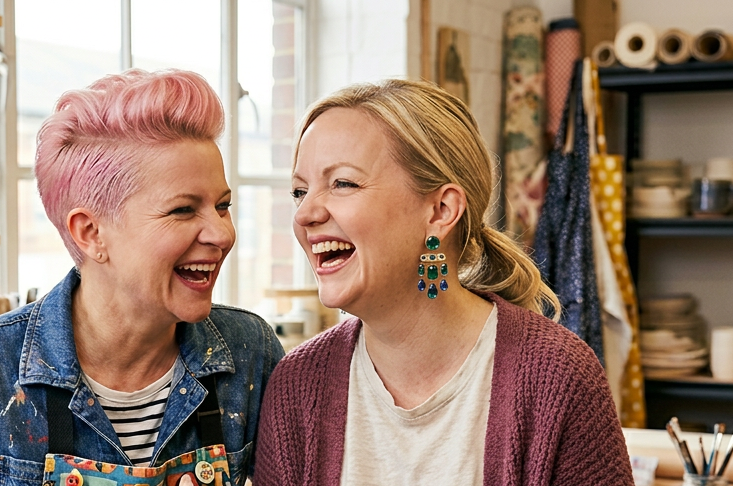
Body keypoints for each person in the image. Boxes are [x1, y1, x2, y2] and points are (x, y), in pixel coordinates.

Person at [0, 69, 284, 486]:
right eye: (183, 210)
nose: (222, 233)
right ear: (90, 233)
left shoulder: (249, 355)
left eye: (223, 205)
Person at [253, 79, 632, 485]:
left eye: (343, 183)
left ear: (440, 209)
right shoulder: (297, 385)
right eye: (299, 191)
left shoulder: (558, 377)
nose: (305, 213)